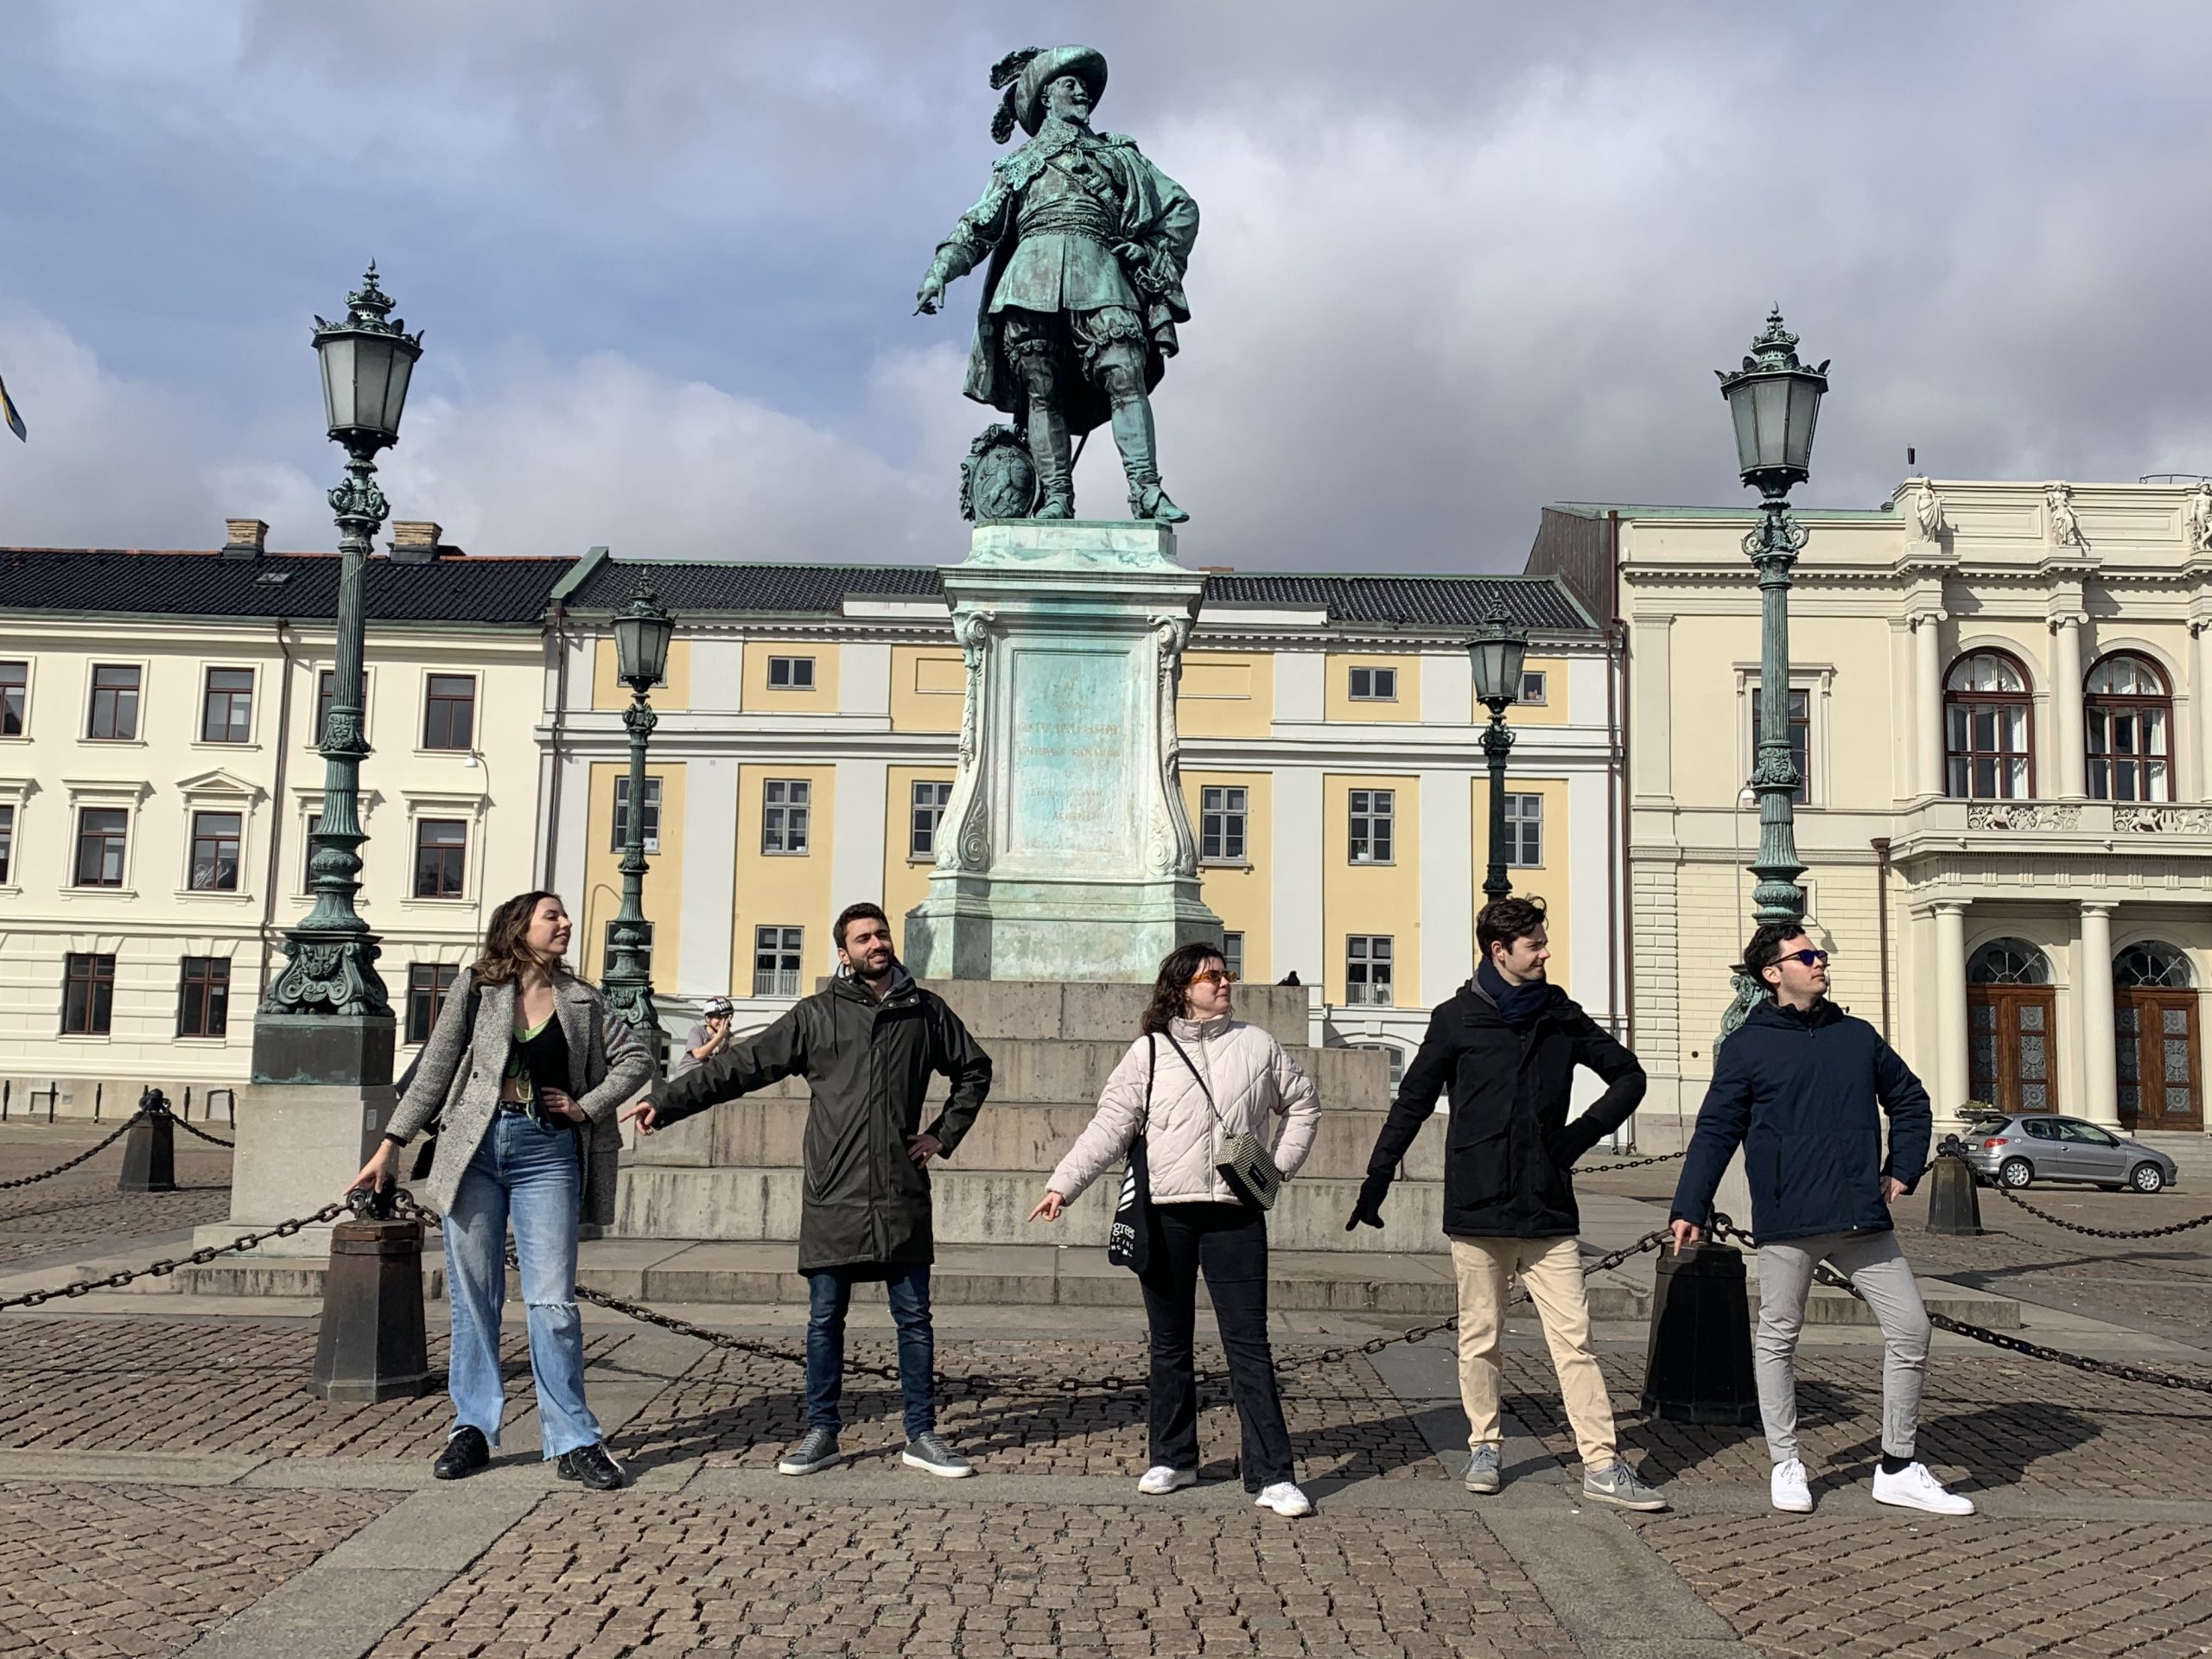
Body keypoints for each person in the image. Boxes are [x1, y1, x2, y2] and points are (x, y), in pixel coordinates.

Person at [625, 903, 991, 1479]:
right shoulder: (816, 1015)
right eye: (863, 938)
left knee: (914, 1319)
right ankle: (822, 1432)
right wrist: (666, 1101)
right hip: (833, 1190)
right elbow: (740, 1066)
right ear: (844, 953)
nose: (876, 944)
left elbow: (974, 1070)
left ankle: (922, 1435)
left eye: (881, 934)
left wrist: (941, 1135)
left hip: (898, 1188)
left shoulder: (925, 1011)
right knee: (825, 1320)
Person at [1349, 895, 1665, 1512]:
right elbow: (1412, 1101)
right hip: (1479, 1202)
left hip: (1547, 1208)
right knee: (1481, 1337)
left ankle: (1602, 1463)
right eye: (1535, 945)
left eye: (1543, 942)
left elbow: (1629, 1075)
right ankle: (1485, 1445)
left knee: (1575, 1342)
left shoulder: (1560, 1013)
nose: (1546, 953)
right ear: (1500, 952)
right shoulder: (1456, 1019)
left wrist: (1580, 1135)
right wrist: (1378, 1176)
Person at [351, 890, 652, 1491]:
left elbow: (638, 1057)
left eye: (564, 916)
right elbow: (435, 1069)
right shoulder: (476, 988)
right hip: (475, 1151)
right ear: (519, 928)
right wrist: (389, 1144)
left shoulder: (582, 999)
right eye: (552, 916)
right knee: (474, 1299)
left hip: (548, 1153)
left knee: (553, 1303)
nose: (566, 924)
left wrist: (586, 1107)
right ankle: (472, 1428)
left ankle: (573, 1439)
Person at [1669, 924, 1974, 1517]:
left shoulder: (1856, 1036)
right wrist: (1690, 1206)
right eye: (1806, 955)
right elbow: (1716, 1130)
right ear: (1772, 973)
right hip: (1790, 1218)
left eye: (1820, 953)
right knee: (1778, 1337)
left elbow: (1910, 1099)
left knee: (1911, 1330)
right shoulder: (1748, 1047)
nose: (1819, 962)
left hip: (1862, 1219)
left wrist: (1902, 1169)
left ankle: (1897, 1466)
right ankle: (1786, 1461)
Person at [1028, 943, 1322, 1517]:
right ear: (1183, 988)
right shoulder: (1150, 1051)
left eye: (1226, 973)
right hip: (1165, 1212)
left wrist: (1276, 1167)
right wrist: (1064, 1183)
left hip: (1235, 1212)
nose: (1225, 983)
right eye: (1211, 976)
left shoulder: (1257, 1043)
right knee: (1169, 1343)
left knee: (1249, 1345)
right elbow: (1111, 1125)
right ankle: (1172, 1457)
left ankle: (1273, 1474)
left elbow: (1304, 1105)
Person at [917, 44, 1198, 523]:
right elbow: (978, 226)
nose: (1082, 91)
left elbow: (1181, 208)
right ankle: (1056, 498)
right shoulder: (1018, 164)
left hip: (1102, 272)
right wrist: (939, 271)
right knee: (1041, 390)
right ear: (1046, 97)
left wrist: (1152, 253)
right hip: (1029, 279)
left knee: (1126, 373)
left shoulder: (1118, 156)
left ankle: (1147, 491)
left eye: (1084, 85)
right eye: (1071, 84)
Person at [672, 995, 735, 1079]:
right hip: (686, 1077)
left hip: (704, 1079)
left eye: (726, 1018)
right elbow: (698, 1054)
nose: (723, 1022)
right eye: (719, 1018)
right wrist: (719, 1037)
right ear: (709, 1018)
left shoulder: (728, 1037)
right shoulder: (698, 1031)